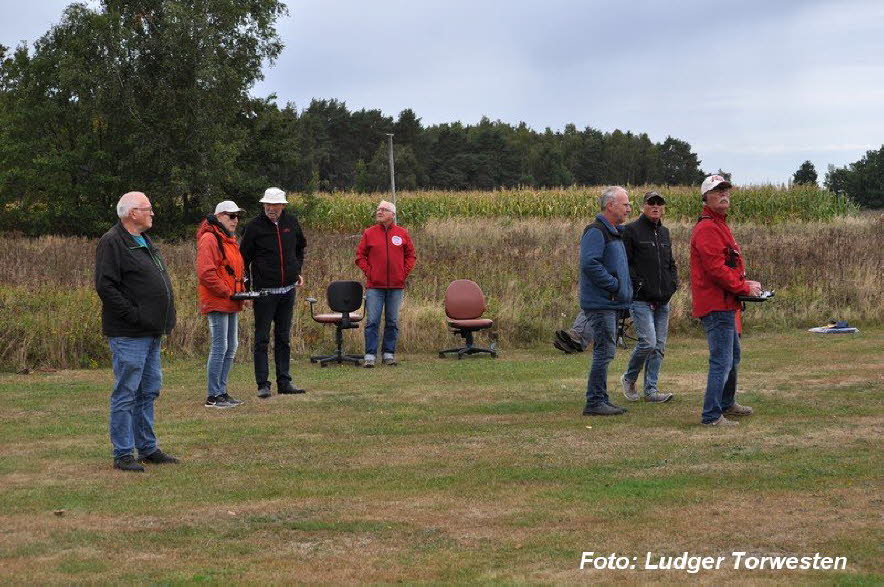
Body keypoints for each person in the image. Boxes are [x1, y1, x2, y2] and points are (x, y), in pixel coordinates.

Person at [95, 191, 179, 472]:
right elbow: (106, 286)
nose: (152, 213)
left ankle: (147, 447)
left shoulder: (143, 240)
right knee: (127, 392)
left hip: (151, 331)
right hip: (129, 333)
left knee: (148, 390)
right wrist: (135, 315)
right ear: (132, 213)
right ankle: (122, 453)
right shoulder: (112, 241)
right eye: (148, 209)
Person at [691, 175, 763, 427]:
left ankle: (726, 403)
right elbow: (716, 269)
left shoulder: (719, 225)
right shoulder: (708, 228)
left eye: (725, 190)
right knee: (721, 360)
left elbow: (728, 266)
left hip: (727, 303)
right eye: (717, 190)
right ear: (705, 198)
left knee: (732, 356)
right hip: (716, 304)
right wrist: (743, 287)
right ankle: (711, 415)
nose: (723, 194)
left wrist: (746, 284)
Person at [239, 187, 307, 398]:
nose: (270, 208)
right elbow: (244, 259)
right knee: (262, 338)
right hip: (264, 292)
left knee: (283, 337)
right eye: (267, 204)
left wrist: (297, 271)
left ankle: (284, 381)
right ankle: (263, 384)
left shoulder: (291, 222)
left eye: (275, 205)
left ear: (283, 206)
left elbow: (300, 247)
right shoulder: (253, 227)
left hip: (288, 289)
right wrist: (246, 289)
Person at [620, 191, 678, 403]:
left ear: (663, 207)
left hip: (663, 299)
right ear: (643, 206)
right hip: (641, 299)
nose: (655, 206)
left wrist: (673, 283)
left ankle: (651, 390)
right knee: (648, 343)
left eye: (659, 203)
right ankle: (629, 378)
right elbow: (625, 263)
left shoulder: (665, 233)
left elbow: (670, 263)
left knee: (659, 346)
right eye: (651, 203)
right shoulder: (631, 230)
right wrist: (637, 284)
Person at [580, 186, 633, 416]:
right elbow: (590, 264)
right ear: (610, 205)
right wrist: (614, 286)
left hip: (610, 302)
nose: (629, 209)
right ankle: (594, 402)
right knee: (604, 352)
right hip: (601, 303)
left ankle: (601, 398)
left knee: (606, 351)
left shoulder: (614, 232)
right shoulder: (596, 231)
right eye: (625, 204)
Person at [196, 201, 248, 409]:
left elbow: (235, 271)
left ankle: (222, 392)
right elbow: (206, 273)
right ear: (219, 217)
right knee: (220, 347)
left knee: (231, 346)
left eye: (237, 216)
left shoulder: (229, 240)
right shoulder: (210, 239)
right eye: (231, 216)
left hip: (231, 300)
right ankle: (213, 396)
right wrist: (228, 292)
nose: (235, 220)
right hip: (218, 300)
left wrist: (242, 291)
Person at [355, 200, 416, 367]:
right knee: (372, 321)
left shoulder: (402, 233)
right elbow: (360, 257)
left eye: (384, 210)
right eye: (378, 209)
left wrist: (403, 273)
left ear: (392, 215)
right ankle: (370, 356)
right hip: (375, 286)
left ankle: (388, 354)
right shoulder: (369, 233)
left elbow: (411, 256)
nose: (379, 212)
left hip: (396, 286)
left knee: (392, 321)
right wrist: (370, 272)